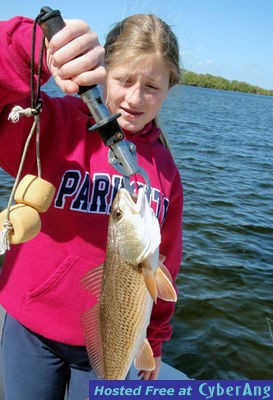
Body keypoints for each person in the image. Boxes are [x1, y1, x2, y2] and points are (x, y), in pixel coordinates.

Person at [0, 10, 183, 400]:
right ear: (101, 71)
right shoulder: (53, 124)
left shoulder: (166, 173)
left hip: (112, 342)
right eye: (124, 80)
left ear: (171, 87)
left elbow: (167, 260)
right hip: (30, 329)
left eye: (152, 85)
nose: (135, 98)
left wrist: (154, 336)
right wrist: (29, 49)